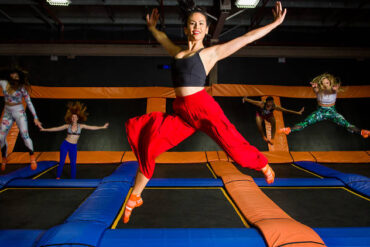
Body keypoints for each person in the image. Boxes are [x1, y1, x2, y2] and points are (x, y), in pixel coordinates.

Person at [123, 0, 287, 223]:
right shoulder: (178, 55)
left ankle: (262, 164)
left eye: (201, 24)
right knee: (151, 142)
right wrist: (153, 28)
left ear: (207, 30)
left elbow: (246, 38)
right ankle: (136, 195)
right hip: (182, 112)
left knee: (234, 147)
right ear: (186, 28)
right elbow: (164, 40)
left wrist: (275, 23)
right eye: (192, 24)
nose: (196, 27)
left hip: (202, 107)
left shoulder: (210, 53)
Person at [279, 73, 369, 138]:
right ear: (320, 84)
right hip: (320, 112)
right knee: (306, 122)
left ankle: (361, 132)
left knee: (346, 124)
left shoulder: (333, 89)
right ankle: (289, 129)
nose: (325, 85)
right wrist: (314, 87)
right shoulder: (318, 90)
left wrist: (336, 88)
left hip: (332, 112)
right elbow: (315, 89)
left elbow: (335, 89)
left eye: (327, 83)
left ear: (330, 83)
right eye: (323, 83)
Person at [40, 102, 109, 179]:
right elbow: (56, 128)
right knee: (62, 162)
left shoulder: (81, 126)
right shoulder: (67, 126)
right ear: (71, 118)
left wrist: (102, 127)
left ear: (77, 118)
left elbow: (92, 127)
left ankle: (73, 179)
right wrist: (44, 129)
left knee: (73, 163)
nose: (74, 118)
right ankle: (58, 177)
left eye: (75, 117)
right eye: (72, 117)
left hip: (73, 146)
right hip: (65, 145)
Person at [0, 68, 42, 171]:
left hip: (19, 111)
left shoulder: (22, 88)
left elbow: (29, 102)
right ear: (9, 77)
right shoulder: (4, 83)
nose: (14, 79)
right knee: (1, 137)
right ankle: (4, 157)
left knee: (25, 135)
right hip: (7, 112)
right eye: (12, 77)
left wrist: (35, 117)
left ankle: (32, 157)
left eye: (16, 77)